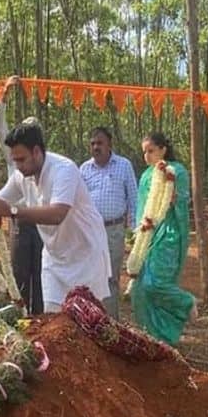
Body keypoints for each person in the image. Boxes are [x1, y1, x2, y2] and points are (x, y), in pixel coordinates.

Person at [0, 120, 111, 313]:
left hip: (85, 256)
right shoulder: (20, 176)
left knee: (87, 323)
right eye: (15, 160)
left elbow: (57, 214)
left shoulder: (64, 169)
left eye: (22, 160)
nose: (18, 166)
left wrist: (13, 211)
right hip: (54, 258)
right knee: (52, 321)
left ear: (37, 152)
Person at [127, 133, 195, 345]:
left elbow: (181, 201)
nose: (146, 156)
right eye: (144, 152)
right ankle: (157, 338)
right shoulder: (147, 175)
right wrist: (138, 235)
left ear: (163, 149)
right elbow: (142, 209)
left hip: (168, 234)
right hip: (148, 236)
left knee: (154, 284)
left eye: (151, 151)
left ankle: (186, 302)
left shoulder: (177, 171)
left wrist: (169, 189)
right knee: (139, 290)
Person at [0, 76, 44, 314]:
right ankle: (21, 317)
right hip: (18, 220)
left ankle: (41, 319)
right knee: (19, 272)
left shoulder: (45, 161)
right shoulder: (12, 151)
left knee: (42, 271)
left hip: (42, 221)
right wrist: (4, 94)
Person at [80, 126, 138, 318]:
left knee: (111, 278)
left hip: (114, 230)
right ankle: (93, 323)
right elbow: (79, 202)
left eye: (100, 143)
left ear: (109, 145)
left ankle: (111, 327)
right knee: (90, 277)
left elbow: (134, 199)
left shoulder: (124, 165)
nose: (96, 147)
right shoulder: (84, 169)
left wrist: (135, 231)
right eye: (93, 143)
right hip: (91, 232)